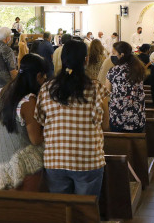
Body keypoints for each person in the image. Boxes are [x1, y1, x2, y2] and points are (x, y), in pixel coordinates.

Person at [36, 40, 107, 195]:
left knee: (62, 211)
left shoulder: (47, 88)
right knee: (85, 209)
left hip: (55, 159)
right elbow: (105, 123)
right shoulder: (95, 88)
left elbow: (40, 120)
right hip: (88, 159)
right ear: (86, 60)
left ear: (62, 58)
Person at [0, 54, 48, 191]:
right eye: (44, 77)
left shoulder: (3, 91)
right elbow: (35, 139)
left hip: (1, 157)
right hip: (22, 161)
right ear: (38, 76)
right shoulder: (28, 102)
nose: (45, 80)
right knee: (27, 205)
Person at [105, 41, 147, 133]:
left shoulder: (113, 71)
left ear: (121, 55)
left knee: (119, 146)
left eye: (113, 53)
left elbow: (107, 91)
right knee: (135, 146)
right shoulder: (138, 68)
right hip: (137, 118)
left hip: (118, 118)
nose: (111, 56)